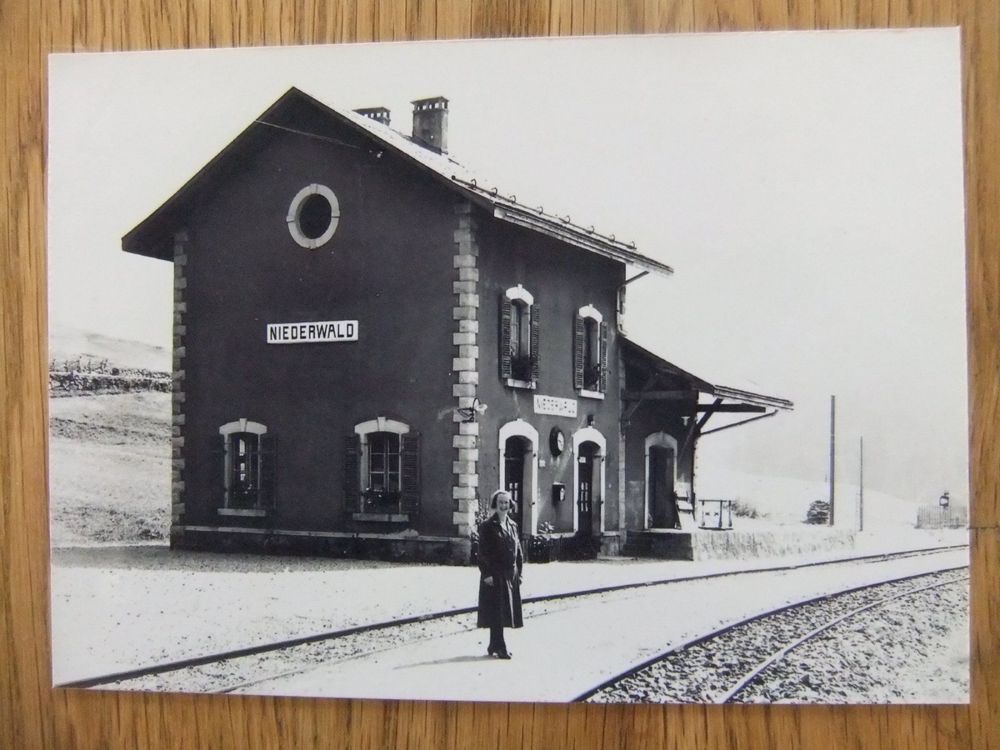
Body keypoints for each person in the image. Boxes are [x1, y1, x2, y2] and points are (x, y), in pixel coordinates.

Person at [476, 489, 524, 659]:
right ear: (495, 505)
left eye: (506, 503)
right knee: (497, 611)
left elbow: (518, 551)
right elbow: (482, 553)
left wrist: (520, 573)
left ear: (510, 505)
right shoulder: (487, 526)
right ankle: (500, 646)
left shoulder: (513, 525)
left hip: (510, 574)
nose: (504, 506)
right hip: (495, 573)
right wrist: (487, 574)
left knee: (504, 611)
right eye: (500, 502)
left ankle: (493, 644)